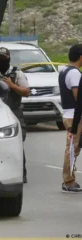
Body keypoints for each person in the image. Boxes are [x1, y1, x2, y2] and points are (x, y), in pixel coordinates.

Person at [0, 47, 30, 183]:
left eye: (4, 58)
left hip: (14, 112)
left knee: (18, 142)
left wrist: (12, 85)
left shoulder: (17, 73)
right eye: (0, 58)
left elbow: (26, 92)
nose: (2, 60)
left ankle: (21, 173)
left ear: (9, 58)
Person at [60, 44, 82, 193]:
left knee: (74, 148)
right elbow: (78, 96)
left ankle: (69, 180)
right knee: (72, 149)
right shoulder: (75, 74)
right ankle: (68, 181)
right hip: (75, 117)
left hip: (69, 115)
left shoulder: (64, 70)